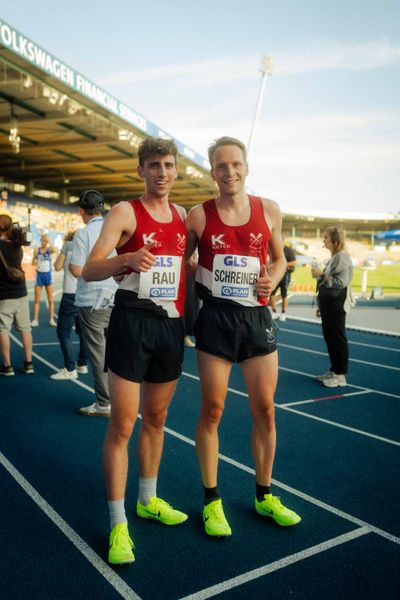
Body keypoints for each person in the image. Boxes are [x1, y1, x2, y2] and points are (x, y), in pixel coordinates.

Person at [185, 136, 301, 537]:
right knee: (213, 410)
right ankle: (212, 500)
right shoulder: (198, 216)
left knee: (265, 409)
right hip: (216, 319)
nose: (229, 172)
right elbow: (182, 260)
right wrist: (197, 272)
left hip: (256, 319)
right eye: (221, 165)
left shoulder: (268, 209)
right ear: (212, 171)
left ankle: (265, 494)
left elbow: (280, 257)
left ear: (247, 167)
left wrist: (275, 275)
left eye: (236, 164)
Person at [82, 137, 188, 565]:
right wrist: (127, 259)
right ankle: (117, 523)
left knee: (157, 419)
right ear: (140, 170)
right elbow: (91, 268)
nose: (162, 172)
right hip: (131, 322)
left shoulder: (183, 215)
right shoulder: (126, 212)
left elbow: (188, 264)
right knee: (122, 426)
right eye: (153, 165)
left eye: (168, 164)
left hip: (171, 325)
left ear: (176, 169)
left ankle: (148, 498)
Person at [69, 190, 117, 416]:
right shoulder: (115, 230)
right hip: (115, 296)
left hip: (91, 299)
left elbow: (77, 269)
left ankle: (104, 402)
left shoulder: (83, 234)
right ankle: (118, 397)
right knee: (114, 350)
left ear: (82, 211)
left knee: (98, 353)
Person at [312, 226, 353, 388]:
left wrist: (320, 275)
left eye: (326, 237)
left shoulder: (341, 256)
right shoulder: (335, 256)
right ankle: (334, 370)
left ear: (336, 241)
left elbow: (341, 282)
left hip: (337, 302)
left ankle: (340, 375)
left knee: (337, 337)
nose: (324, 240)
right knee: (330, 336)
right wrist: (321, 305)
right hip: (330, 303)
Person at [50, 231, 88, 380]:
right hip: (85, 293)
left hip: (70, 294)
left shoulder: (68, 245)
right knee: (83, 332)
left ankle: (70, 368)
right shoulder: (90, 246)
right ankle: (82, 364)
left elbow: (58, 266)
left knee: (63, 331)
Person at [0, 214, 34, 375]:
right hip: (21, 292)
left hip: (4, 295)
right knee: (25, 329)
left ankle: (7, 366)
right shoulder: (17, 245)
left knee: (3, 330)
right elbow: (26, 238)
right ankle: (29, 363)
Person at [31, 233, 57, 327]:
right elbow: (32, 262)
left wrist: (50, 242)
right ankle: (35, 319)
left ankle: (51, 319)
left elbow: (55, 250)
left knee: (50, 299)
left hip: (48, 276)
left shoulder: (49, 250)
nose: (45, 242)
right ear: (41, 240)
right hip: (39, 276)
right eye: (44, 240)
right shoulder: (36, 250)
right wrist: (35, 260)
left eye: (47, 241)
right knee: (37, 299)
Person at [269, 242, 296, 321]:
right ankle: (274, 312)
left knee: (284, 294)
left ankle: (283, 313)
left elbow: (294, 262)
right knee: (272, 292)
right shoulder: (274, 249)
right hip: (275, 274)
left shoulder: (288, 250)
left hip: (285, 275)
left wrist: (284, 264)